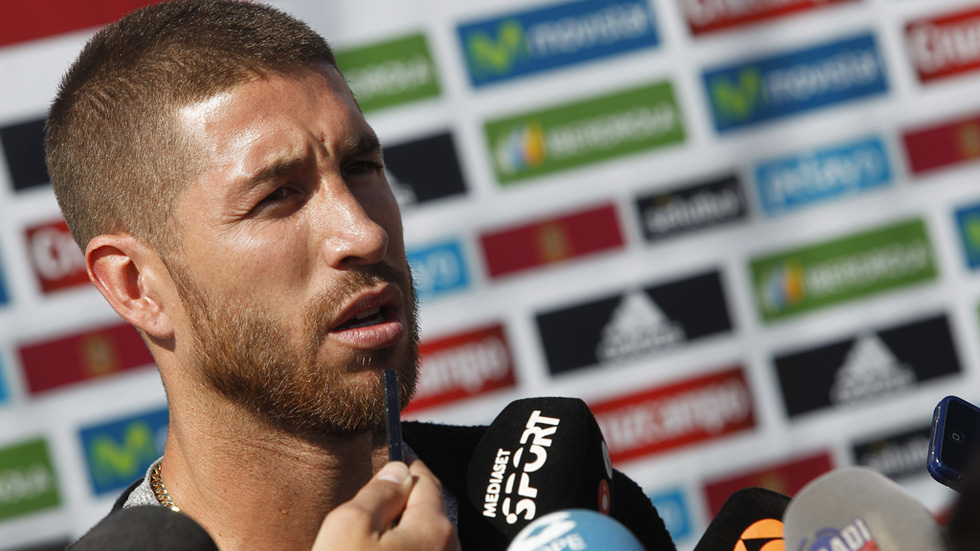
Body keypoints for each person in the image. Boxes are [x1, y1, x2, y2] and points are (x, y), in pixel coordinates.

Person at [45, 1, 676, 550]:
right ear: (135, 285)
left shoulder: (565, 516)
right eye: (278, 195)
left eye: (362, 166)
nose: (365, 233)